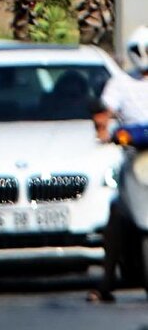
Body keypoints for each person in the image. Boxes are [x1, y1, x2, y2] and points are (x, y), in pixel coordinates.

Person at [88, 26, 148, 303]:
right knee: (117, 215)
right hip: (136, 156)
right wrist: (103, 131)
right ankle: (107, 281)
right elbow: (104, 112)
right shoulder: (122, 83)